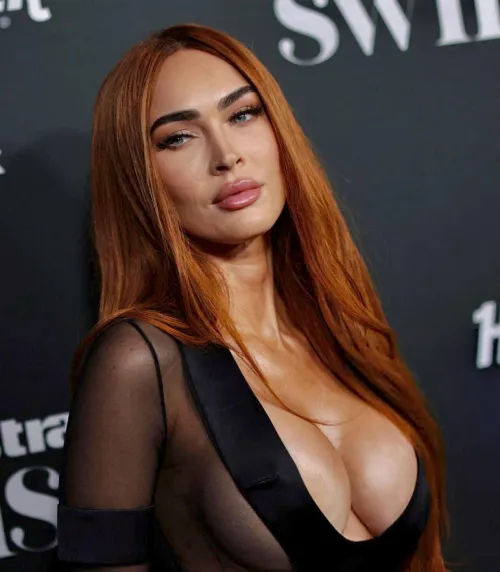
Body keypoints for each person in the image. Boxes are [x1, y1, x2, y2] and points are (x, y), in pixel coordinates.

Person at [54, 23, 449, 572]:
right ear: (139, 178)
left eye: (242, 114)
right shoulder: (139, 361)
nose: (227, 156)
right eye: (178, 137)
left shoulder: (338, 323)